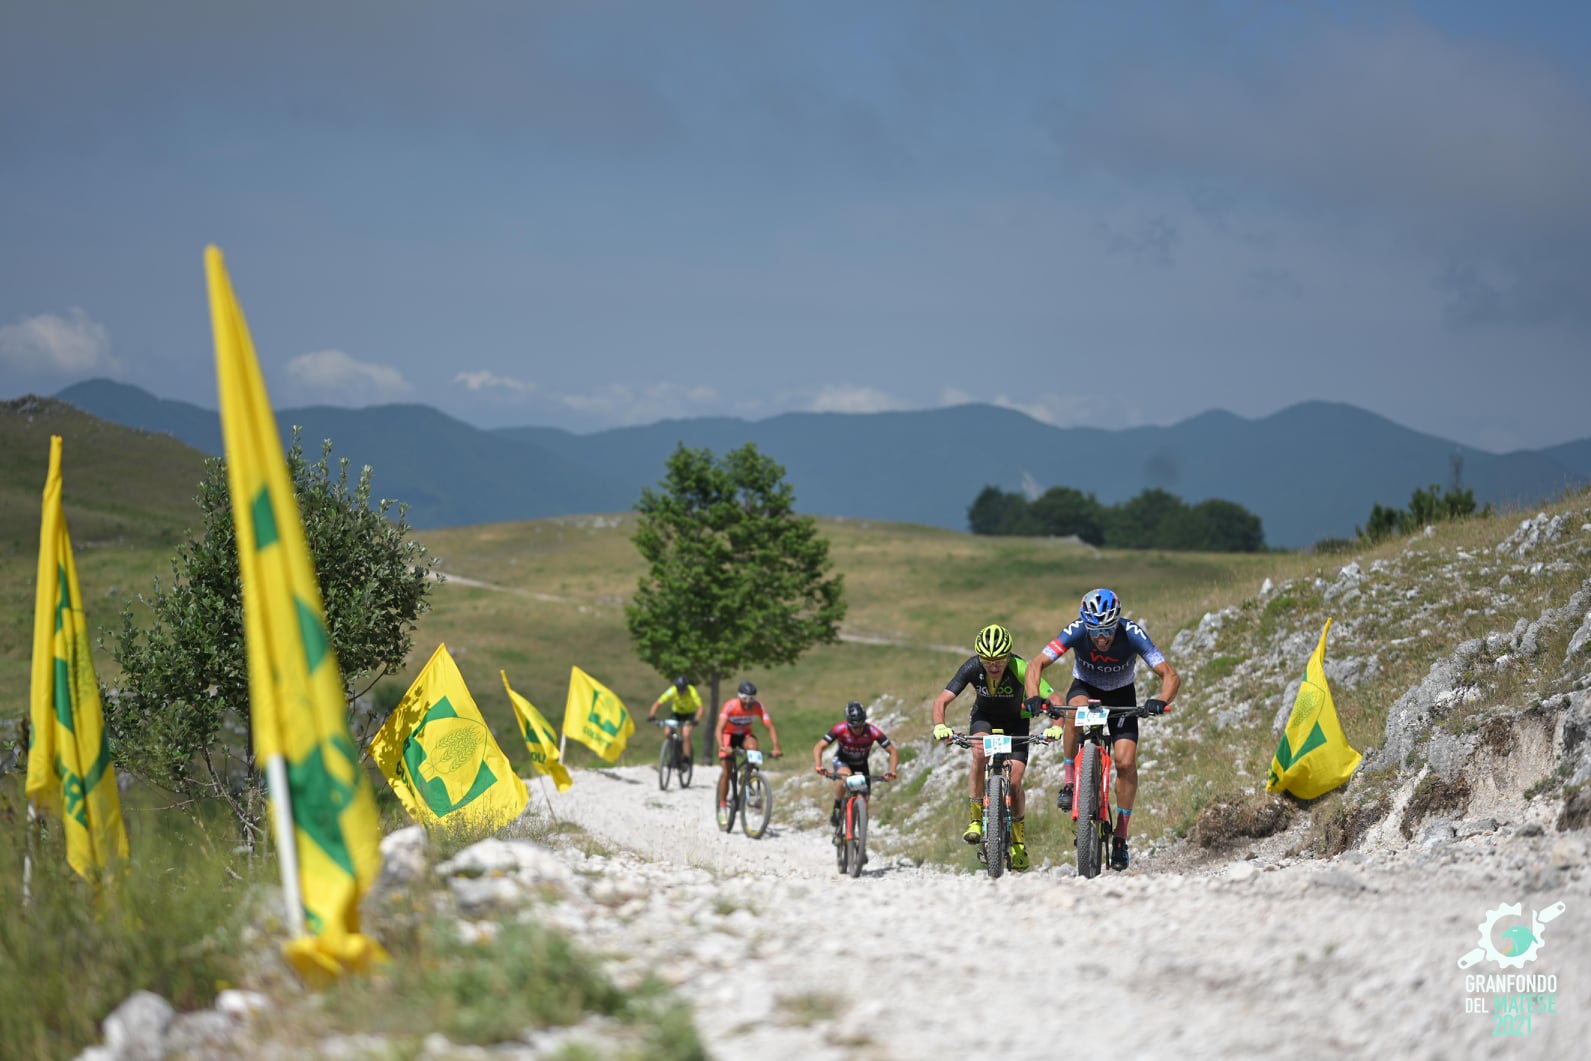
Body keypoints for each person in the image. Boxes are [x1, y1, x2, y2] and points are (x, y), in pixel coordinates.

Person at [1023, 587, 1179, 872]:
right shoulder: (1076, 630)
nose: (1101, 638)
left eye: (1107, 630)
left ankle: (1120, 835)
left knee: (1126, 762)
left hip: (1122, 695)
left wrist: (1160, 699)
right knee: (1076, 716)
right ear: (1086, 625)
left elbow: (1169, 674)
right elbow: (1037, 663)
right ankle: (1070, 780)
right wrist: (1033, 695)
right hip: (1086, 687)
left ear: (1117, 623)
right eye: (1095, 631)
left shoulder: (1132, 632)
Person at [930, 623, 1055, 872]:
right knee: (979, 753)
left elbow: (1054, 698)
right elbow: (942, 700)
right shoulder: (971, 667)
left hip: (1016, 722)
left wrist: (1057, 726)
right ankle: (976, 820)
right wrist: (939, 726)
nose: (994, 666)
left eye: (999, 660)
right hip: (984, 718)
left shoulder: (1020, 667)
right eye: (987, 661)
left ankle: (1019, 843)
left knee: (1016, 781)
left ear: (1008, 656)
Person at [812, 700, 899, 832]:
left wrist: (892, 771)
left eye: (861, 726)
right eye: (854, 727)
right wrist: (819, 765)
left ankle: (860, 842)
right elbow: (819, 746)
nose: (858, 730)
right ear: (848, 723)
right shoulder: (840, 729)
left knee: (864, 802)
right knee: (845, 776)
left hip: (861, 765)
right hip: (842, 761)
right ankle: (837, 805)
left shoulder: (872, 731)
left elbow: (892, 751)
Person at [715, 680, 783, 811]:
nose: (748, 701)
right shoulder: (731, 706)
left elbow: (770, 726)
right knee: (727, 772)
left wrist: (776, 747)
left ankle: (746, 775)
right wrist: (723, 746)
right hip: (728, 736)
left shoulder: (758, 706)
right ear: (739, 696)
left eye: (751, 698)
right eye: (745, 698)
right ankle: (722, 805)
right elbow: (719, 728)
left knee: (754, 749)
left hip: (744, 735)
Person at [647, 675, 703, 763]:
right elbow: (658, 703)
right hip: (676, 714)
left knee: (686, 734)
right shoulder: (672, 690)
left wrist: (696, 719)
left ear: (686, 688)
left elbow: (700, 707)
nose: (681, 692)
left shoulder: (692, 691)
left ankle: (686, 758)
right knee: (667, 733)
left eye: (683, 690)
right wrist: (652, 715)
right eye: (679, 690)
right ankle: (674, 752)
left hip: (689, 715)